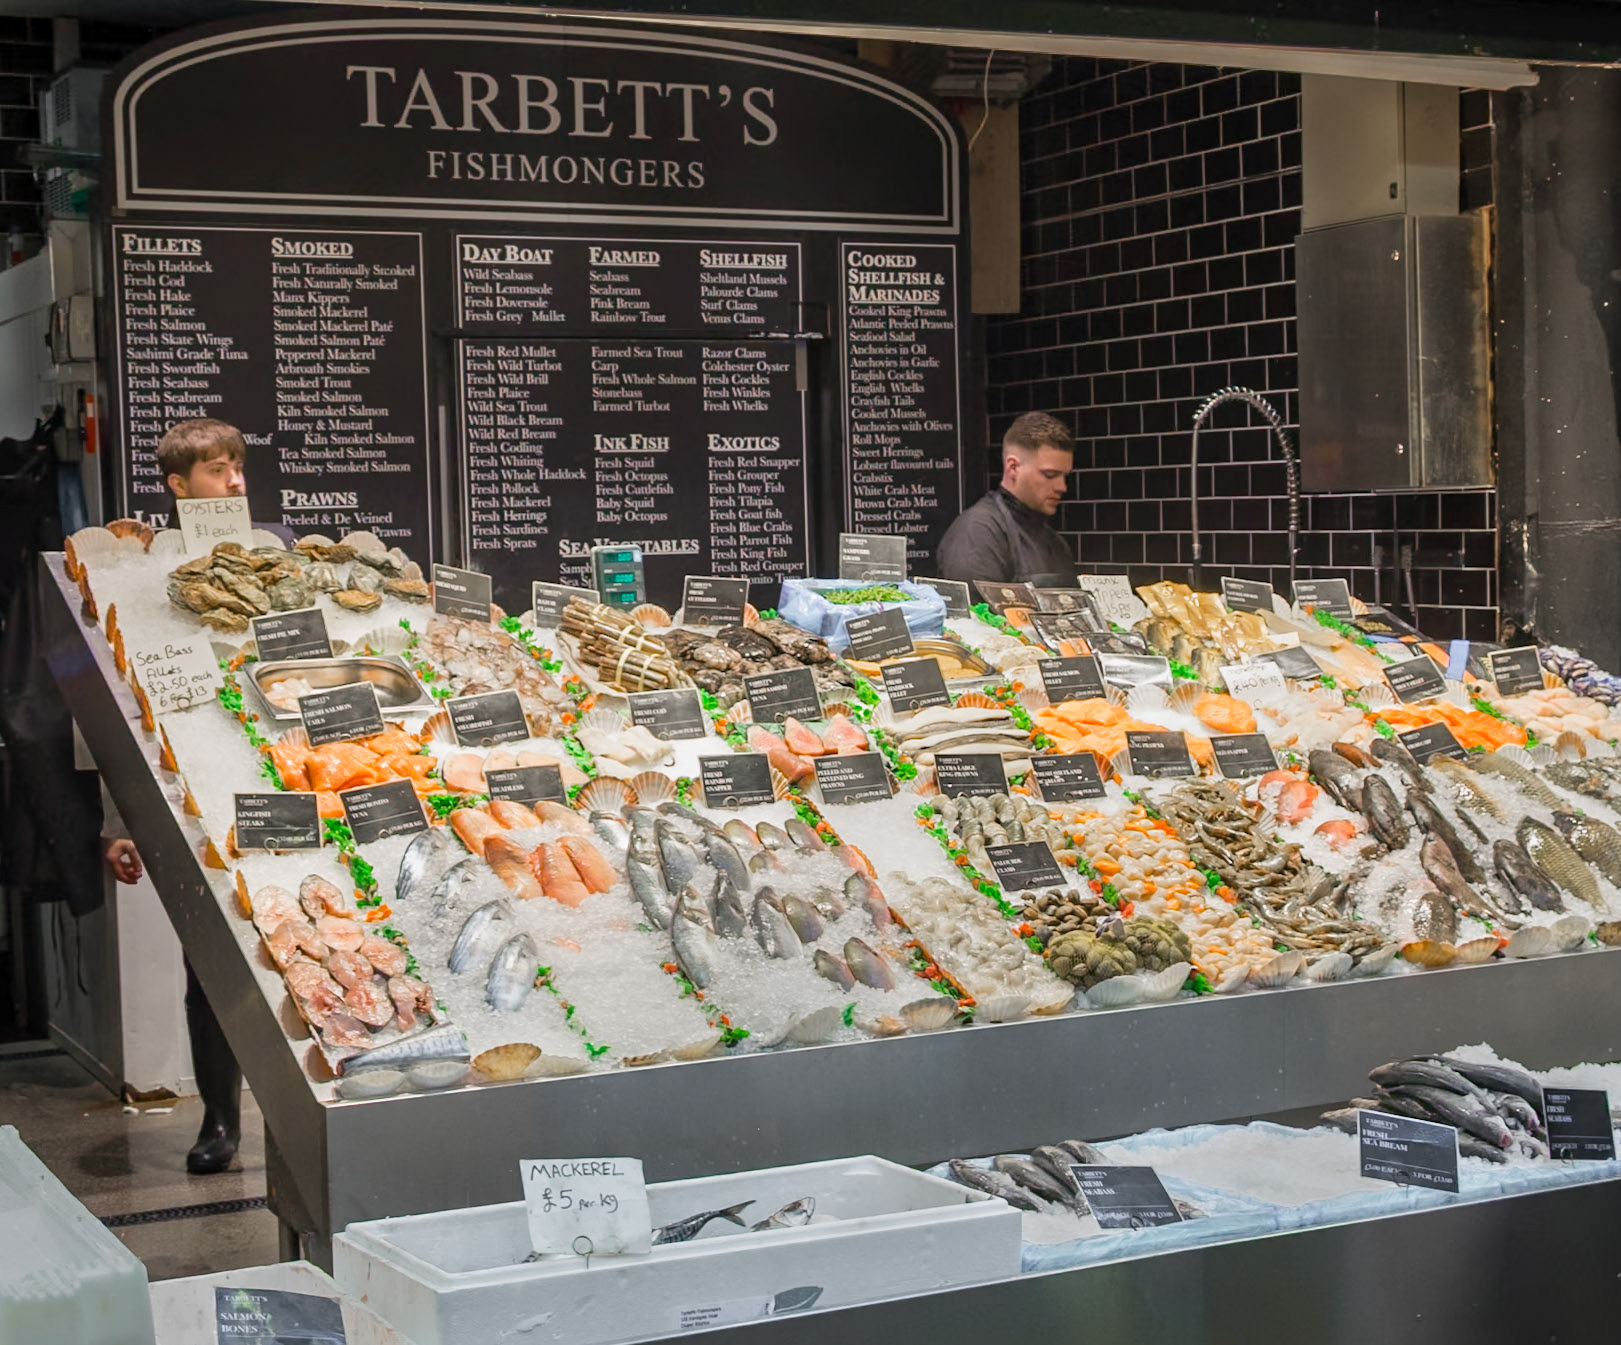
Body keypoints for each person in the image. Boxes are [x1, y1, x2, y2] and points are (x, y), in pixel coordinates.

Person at [107, 418, 290, 1173]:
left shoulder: (278, 549)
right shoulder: (141, 569)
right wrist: (123, 821)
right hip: (194, 786)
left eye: (239, 467)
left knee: (300, 948)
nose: (235, 482)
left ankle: (305, 1114)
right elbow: (124, 700)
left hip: (280, 772)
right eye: (217, 470)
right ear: (178, 486)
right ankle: (221, 1118)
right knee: (211, 963)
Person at [936, 411, 1078, 586]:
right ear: (1013, 468)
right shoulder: (978, 531)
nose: (1062, 487)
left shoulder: (1055, 542)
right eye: (1050, 474)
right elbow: (977, 604)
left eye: (1064, 476)